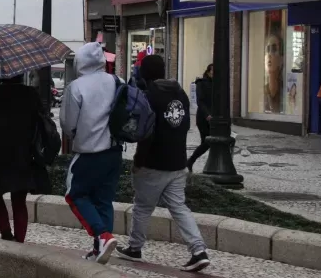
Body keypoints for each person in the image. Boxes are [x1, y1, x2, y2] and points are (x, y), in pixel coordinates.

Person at [116, 55, 211, 271]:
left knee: (142, 207)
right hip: (178, 162)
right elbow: (183, 125)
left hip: (154, 163)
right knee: (179, 207)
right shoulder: (180, 94)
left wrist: (139, 160)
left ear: (145, 73)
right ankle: (199, 251)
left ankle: (135, 247)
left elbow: (146, 132)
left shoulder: (149, 97)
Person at [59, 42, 122, 264]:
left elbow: (68, 124)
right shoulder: (117, 81)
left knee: (74, 194)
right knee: (104, 200)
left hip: (88, 152)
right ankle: (100, 249)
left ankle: (102, 237)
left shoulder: (76, 87)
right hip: (114, 152)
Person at [0, 74, 52, 243]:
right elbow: (42, 118)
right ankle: (19, 241)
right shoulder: (31, 94)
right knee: (19, 199)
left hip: (0, 154)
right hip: (24, 153)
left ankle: (6, 234)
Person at [187, 64, 213, 172]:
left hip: (215, 118)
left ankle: (190, 162)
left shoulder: (218, 84)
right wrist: (207, 114)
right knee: (207, 142)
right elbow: (200, 102)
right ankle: (190, 161)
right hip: (203, 118)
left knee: (209, 143)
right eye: (213, 71)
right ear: (208, 72)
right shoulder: (201, 83)